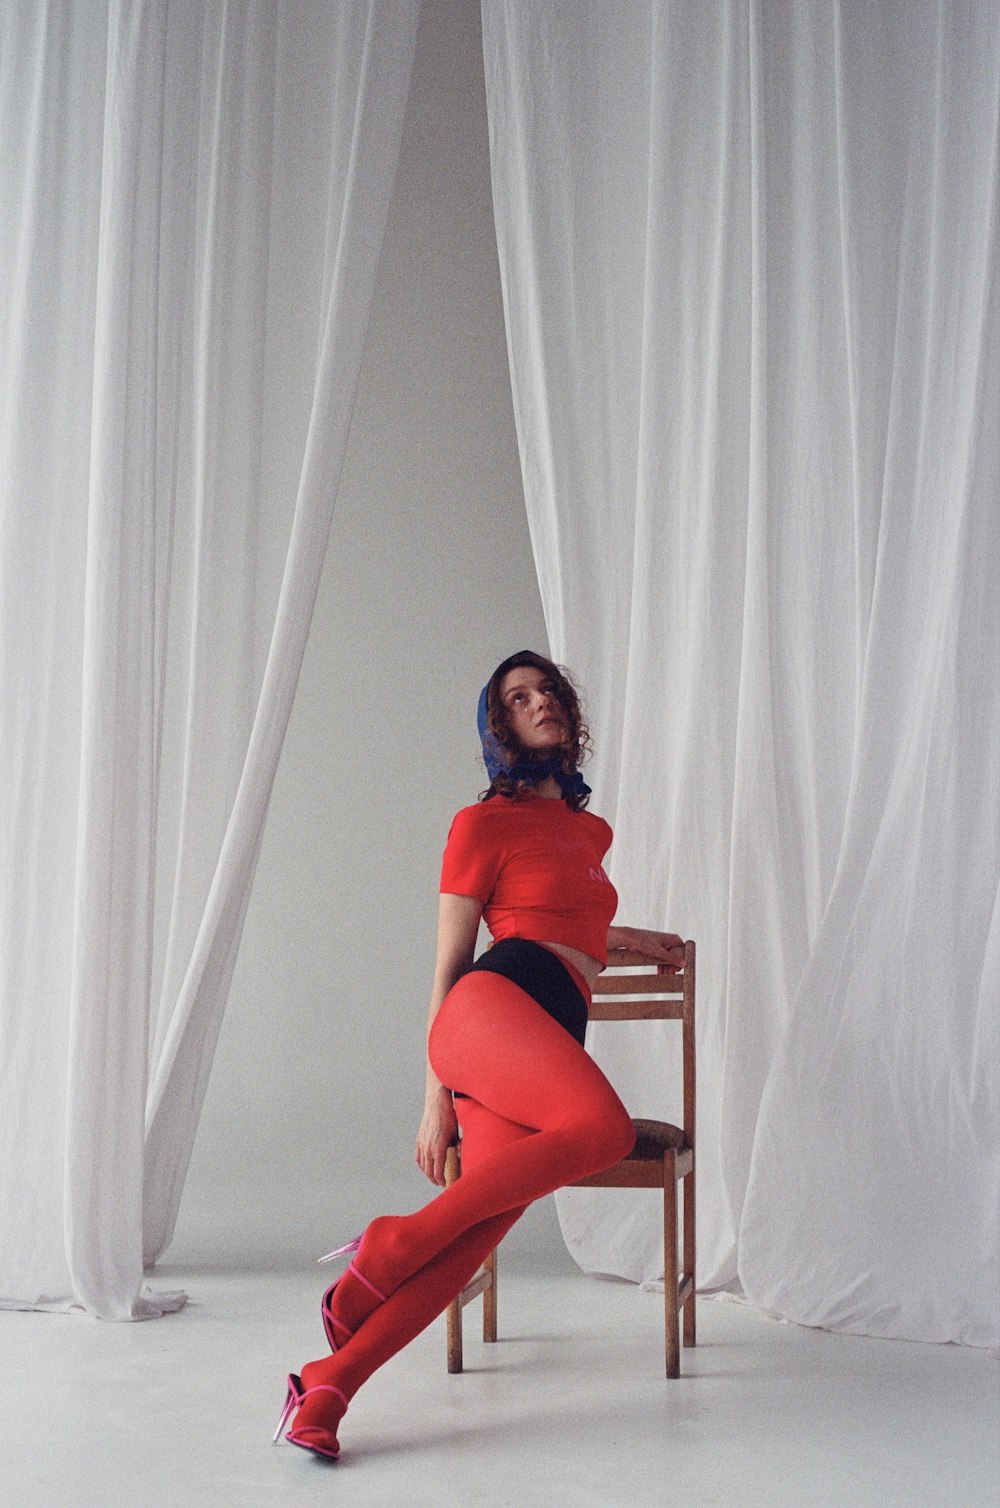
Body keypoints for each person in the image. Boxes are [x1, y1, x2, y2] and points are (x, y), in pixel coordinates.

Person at [275, 650, 684, 1459]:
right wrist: (434, 1098)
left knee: (474, 1237)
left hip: (548, 1031)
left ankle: (327, 1384)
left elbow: (566, 923)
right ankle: (389, 1243)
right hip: (489, 1012)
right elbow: (451, 964)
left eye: (547, 691)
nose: (539, 703)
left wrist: (625, 937)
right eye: (517, 697)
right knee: (600, 1129)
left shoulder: (587, 829)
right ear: (499, 727)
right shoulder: (479, 824)